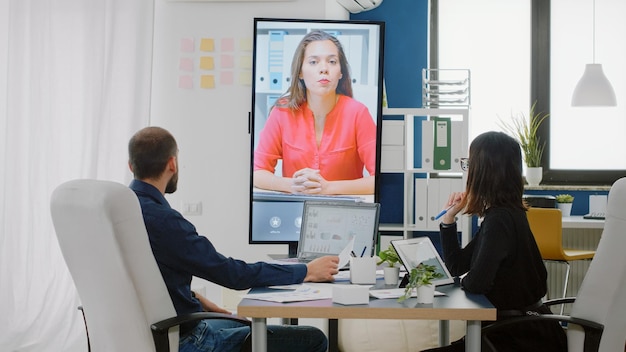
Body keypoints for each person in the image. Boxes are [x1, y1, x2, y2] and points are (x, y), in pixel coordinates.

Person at [127, 126, 339, 352]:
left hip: (148, 335)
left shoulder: (122, 213)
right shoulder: (164, 222)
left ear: (131, 166)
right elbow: (232, 275)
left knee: (242, 322)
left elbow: (148, 278)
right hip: (187, 341)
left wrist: (195, 299)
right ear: (172, 164)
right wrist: (306, 271)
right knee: (313, 338)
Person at [424, 131, 567, 352]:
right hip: (520, 332)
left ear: (483, 171)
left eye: (469, 164)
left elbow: (476, 282)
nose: (467, 171)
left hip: (518, 339)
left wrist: (461, 282)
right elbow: (458, 267)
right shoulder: (503, 214)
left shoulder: (500, 219)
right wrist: (449, 219)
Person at [253, 30, 377, 195]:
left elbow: (379, 179)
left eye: (332, 61)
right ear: (300, 72)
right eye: (313, 62)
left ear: (341, 72)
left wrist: (328, 188)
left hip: (344, 212)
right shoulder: (282, 112)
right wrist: (291, 185)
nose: (324, 69)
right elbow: (257, 172)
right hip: (295, 212)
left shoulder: (358, 113)